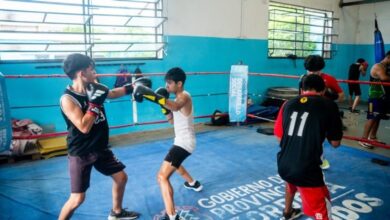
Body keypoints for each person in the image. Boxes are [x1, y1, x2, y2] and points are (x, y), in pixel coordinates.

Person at [59, 53, 150, 220]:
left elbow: (113, 93)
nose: (95, 72)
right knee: (77, 198)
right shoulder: (68, 99)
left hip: (100, 147)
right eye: (91, 69)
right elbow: (84, 126)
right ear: (81, 73)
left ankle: (116, 213)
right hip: (82, 152)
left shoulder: (93, 86)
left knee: (121, 177)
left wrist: (134, 86)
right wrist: (94, 104)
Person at [133, 67, 202, 220]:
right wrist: (161, 106)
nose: (167, 86)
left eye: (169, 83)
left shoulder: (184, 96)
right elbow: (171, 119)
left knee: (162, 177)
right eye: (166, 83)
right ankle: (193, 183)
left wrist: (150, 94)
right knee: (175, 164)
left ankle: (172, 216)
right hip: (182, 141)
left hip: (184, 143)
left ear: (179, 83)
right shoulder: (175, 99)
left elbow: (176, 106)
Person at [274, 74, 343, 220]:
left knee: (291, 181)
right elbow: (335, 143)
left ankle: (288, 212)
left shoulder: (287, 103)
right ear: (323, 90)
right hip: (307, 169)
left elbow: (279, 136)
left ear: (301, 89)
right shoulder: (329, 105)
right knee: (322, 209)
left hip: (284, 163)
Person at [299, 55, 344, 170]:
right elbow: (300, 96)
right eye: (310, 71)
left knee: (319, 138)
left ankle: (319, 160)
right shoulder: (303, 78)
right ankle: (315, 159)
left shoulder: (329, 79)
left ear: (321, 69)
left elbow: (341, 96)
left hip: (323, 114)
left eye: (316, 71)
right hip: (307, 112)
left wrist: (330, 96)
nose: (313, 73)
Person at [359, 51, 390, 149]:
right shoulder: (378, 66)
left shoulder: (385, 67)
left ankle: (372, 137)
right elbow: (384, 78)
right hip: (374, 97)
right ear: (388, 57)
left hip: (382, 97)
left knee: (378, 117)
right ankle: (363, 139)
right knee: (372, 117)